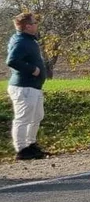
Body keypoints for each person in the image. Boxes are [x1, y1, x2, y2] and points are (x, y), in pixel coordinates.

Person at [7, 12, 48, 160]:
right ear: (27, 26)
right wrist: (33, 69)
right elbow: (12, 60)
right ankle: (22, 149)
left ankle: (31, 144)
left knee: (37, 116)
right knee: (23, 118)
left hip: (33, 87)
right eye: (34, 22)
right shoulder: (21, 41)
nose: (37, 24)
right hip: (24, 87)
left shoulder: (28, 40)